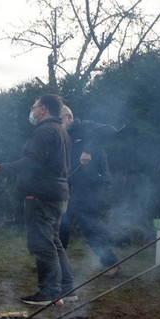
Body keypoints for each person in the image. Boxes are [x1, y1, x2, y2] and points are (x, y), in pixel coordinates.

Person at [0, 94, 75, 305]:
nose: (32, 111)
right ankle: (67, 288)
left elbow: (32, 163)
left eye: (34, 107)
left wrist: (2, 169)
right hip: (58, 194)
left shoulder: (44, 131)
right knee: (54, 241)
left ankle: (50, 291)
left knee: (42, 244)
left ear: (43, 109)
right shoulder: (62, 132)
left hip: (41, 195)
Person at [60, 105, 121, 277]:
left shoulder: (85, 126)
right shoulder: (64, 134)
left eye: (60, 120)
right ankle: (56, 263)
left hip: (93, 183)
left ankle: (111, 263)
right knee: (62, 221)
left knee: (87, 221)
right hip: (74, 183)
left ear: (69, 117)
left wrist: (88, 150)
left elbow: (110, 131)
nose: (58, 124)